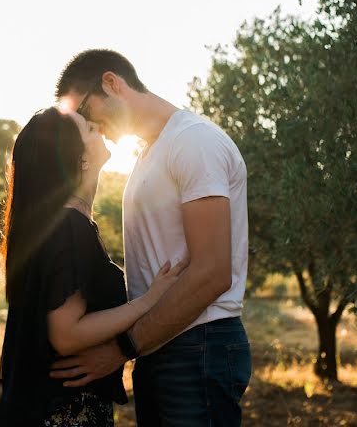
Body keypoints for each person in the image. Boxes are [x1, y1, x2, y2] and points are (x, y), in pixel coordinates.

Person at [52, 49, 251, 426]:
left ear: (112, 83)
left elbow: (212, 271)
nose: (88, 124)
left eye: (87, 110)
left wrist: (121, 348)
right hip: (160, 346)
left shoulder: (194, 142)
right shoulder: (148, 155)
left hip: (198, 345)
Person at [0, 107, 187, 426]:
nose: (99, 128)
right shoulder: (69, 228)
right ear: (79, 157)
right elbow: (66, 334)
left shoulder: (59, 225)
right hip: (62, 414)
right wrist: (148, 302)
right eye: (89, 129)